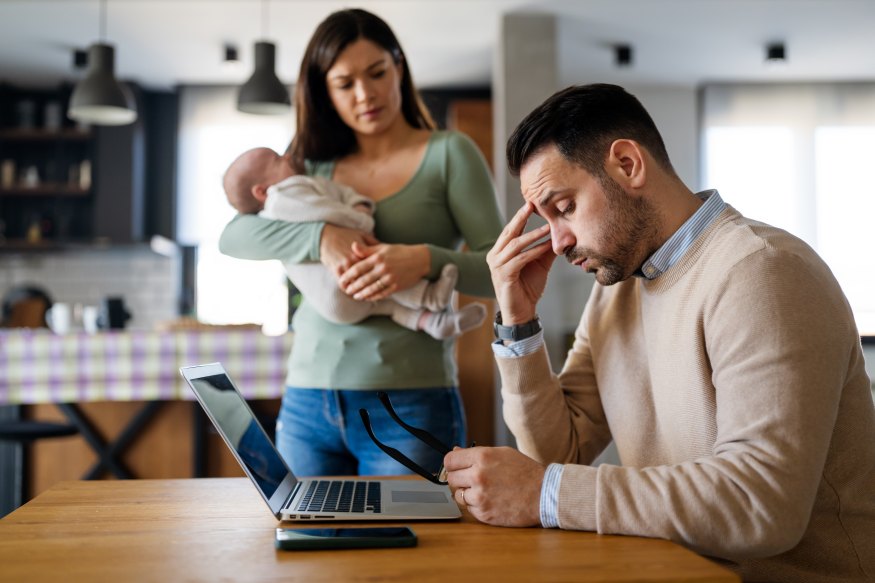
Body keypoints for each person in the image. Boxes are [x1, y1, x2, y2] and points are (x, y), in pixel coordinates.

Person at [443, 84, 875, 582]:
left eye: (563, 208)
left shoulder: (762, 272)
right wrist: (518, 322)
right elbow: (559, 452)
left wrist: (546, 493)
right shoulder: (617, 288)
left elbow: (761, 504)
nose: (557, 242)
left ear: (627, 165)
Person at [219, 8, 503, 479]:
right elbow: (233, 236)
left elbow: (501, 271)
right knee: (307, 550)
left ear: (399, 68)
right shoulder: (309, 162)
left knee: (407, 551)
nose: (365, 94)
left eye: (377, 73)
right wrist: (321, 236)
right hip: (308, 400)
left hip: (410, 404)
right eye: (344, 83)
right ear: (324, 91)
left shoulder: (449, 154)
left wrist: (423, 260)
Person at [222, 146, 487, 341]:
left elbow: (335, 196)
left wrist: (424, 258)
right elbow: (322, 211)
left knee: (386, 303)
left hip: (335, 307)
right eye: (278, 160)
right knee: (375, 271)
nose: (288, 156)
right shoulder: (283, 196)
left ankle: (432, 321)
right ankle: (429, 297)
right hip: (334, 295)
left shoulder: (304, 181)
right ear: (261, 191)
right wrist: (337, 229)